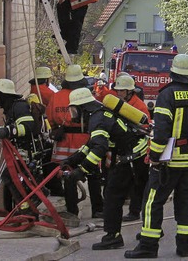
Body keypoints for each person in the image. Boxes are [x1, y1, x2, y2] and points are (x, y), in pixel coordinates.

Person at [126, 54, 188, 258]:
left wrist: (155, 156)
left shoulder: (167, 95)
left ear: (172, 73)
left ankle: (148, 246)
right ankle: (184, 247)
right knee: (185, 201)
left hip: (168, 160)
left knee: (152, 201)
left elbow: (162, 132)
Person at [59, 88, 148, 251]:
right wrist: (72, 160)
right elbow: (92, 144)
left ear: (83, 107)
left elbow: (99, 148)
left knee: (113, 196)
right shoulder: (100, 114)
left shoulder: (96, 118)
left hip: (130, 157)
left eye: (74, 110)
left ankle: (112, 237)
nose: (73, 115)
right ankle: (149, 233)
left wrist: (82, 170)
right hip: (134, 155)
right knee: (142, 193)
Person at [46, 64, 103, 218]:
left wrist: (57, 128)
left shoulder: (56, 96)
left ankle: (72, 211)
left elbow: (50, 118)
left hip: (63, 141)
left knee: (67, 175)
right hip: (84, 140)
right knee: (93, 176)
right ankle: (98, 209)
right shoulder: (85, 96)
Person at [0, 79, 41, 214]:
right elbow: (13, 127)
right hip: (20, 151)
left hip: (27, 152)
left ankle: (27, 208)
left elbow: (28, 127)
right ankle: (23, 208)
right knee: (10, 177)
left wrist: (7, 131)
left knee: (9, 176)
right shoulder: (10, 108)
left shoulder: (19, 107)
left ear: (4, 95)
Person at [110, 75, 151, 223]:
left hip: (137, 149)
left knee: (138, 181)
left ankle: (135, 210)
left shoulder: (138, 106)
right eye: (118, 91)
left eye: (121, 91)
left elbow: (146, 127)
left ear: (129, 91)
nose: (118, 93)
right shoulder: (119, 104)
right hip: (123, 147)